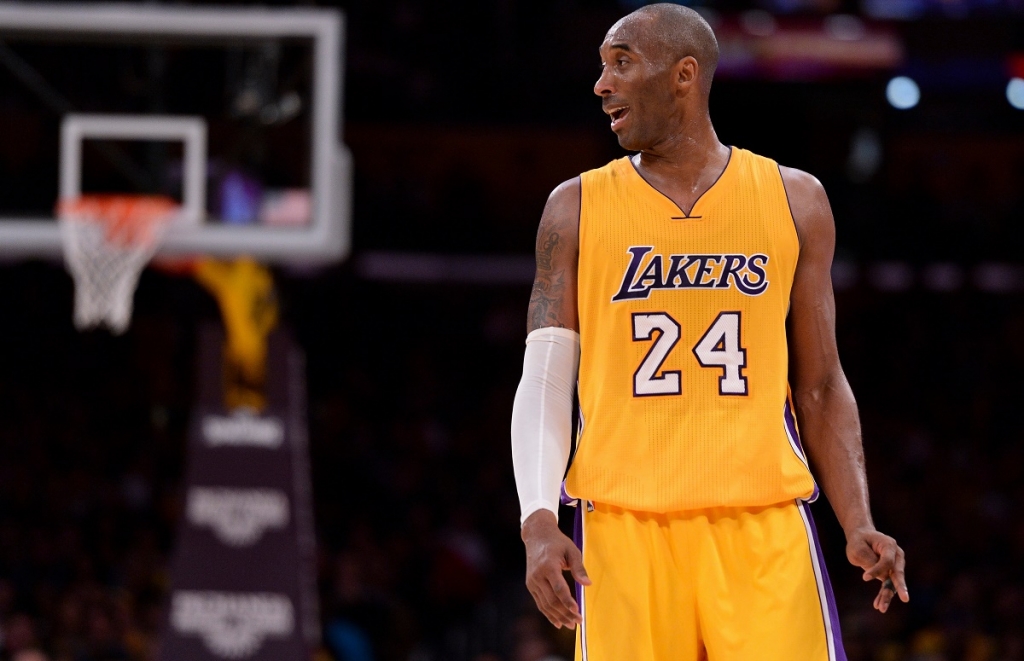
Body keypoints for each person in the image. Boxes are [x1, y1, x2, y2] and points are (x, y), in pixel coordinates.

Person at [509, 5, 908, 660]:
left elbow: (820, 382)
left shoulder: (795, 200)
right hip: (623, 527)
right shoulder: (574, 207)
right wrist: (537, 517)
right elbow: (547, 372)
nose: (600, 85)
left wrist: (857, 516)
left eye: (621, 63)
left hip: (763, 528)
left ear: (683, 75)